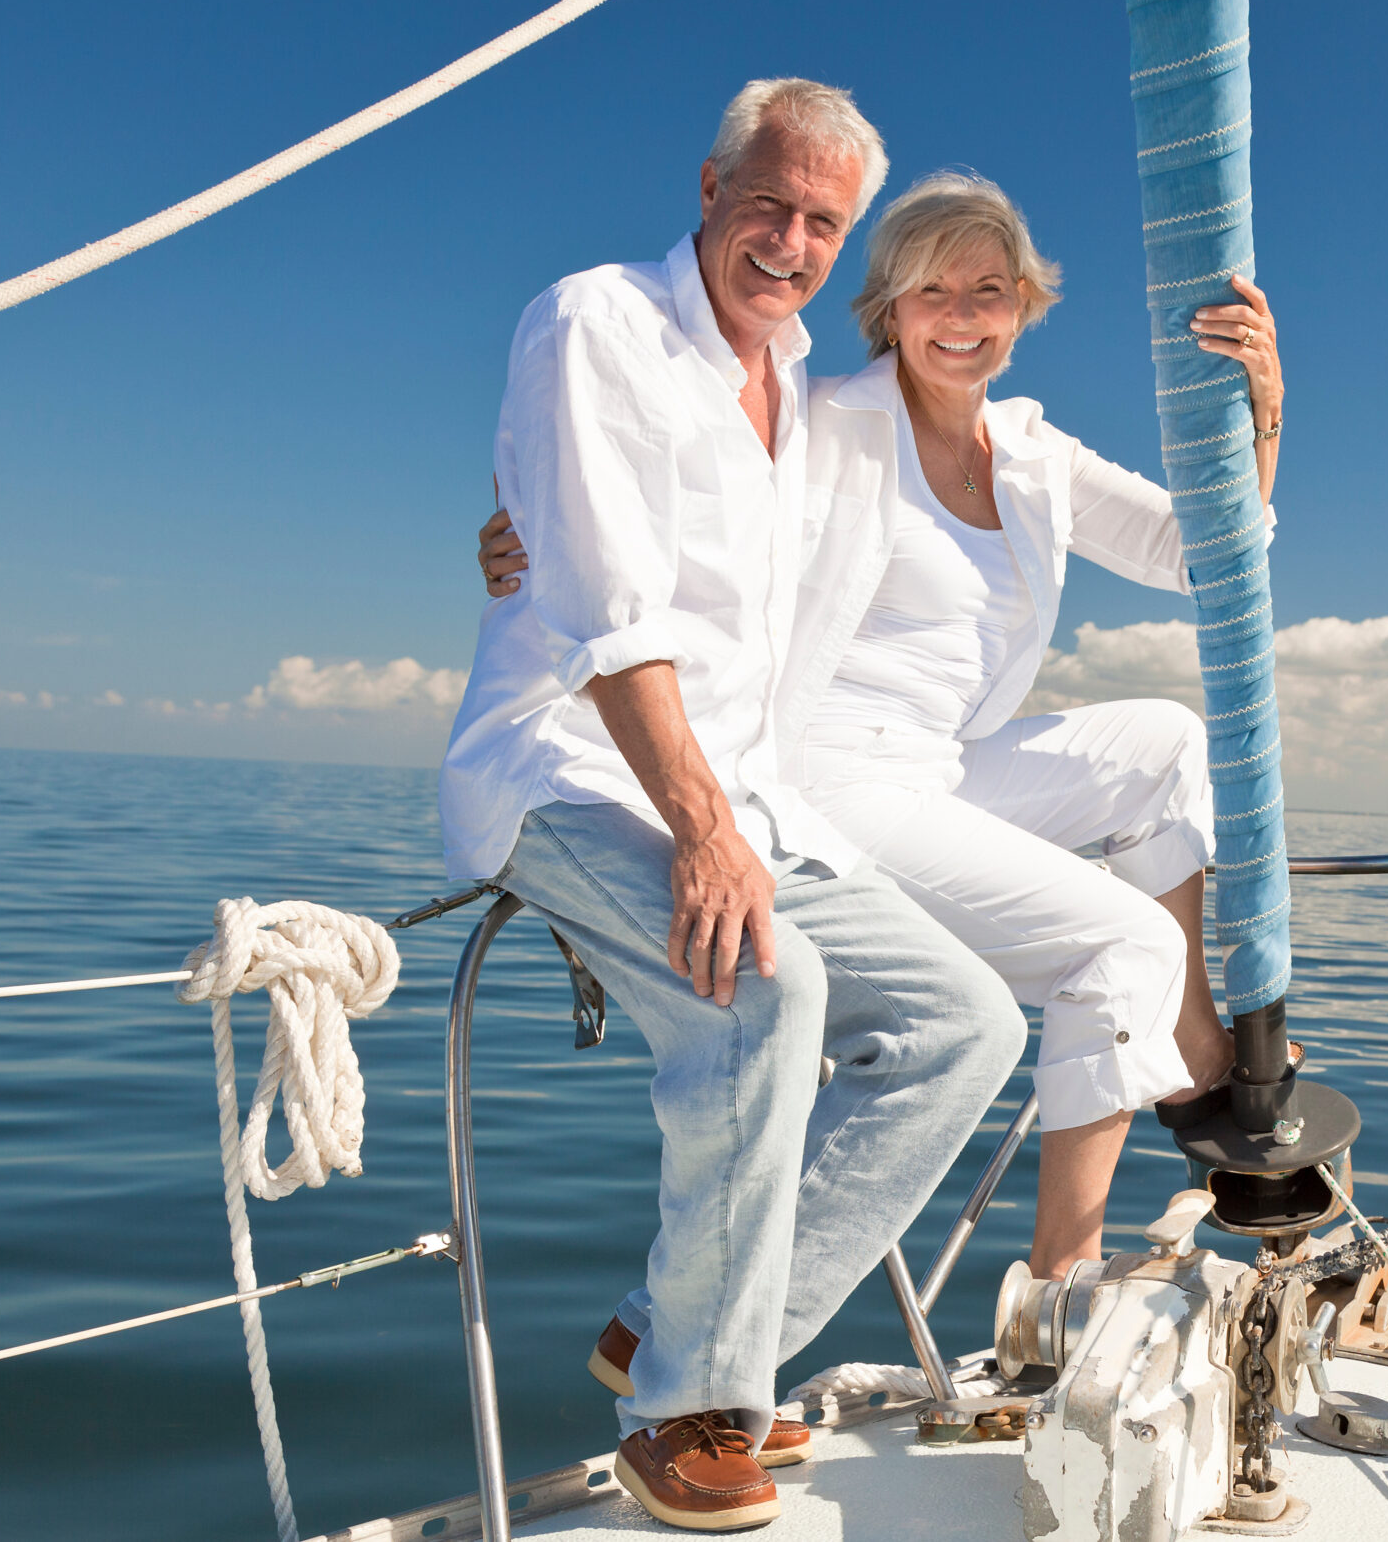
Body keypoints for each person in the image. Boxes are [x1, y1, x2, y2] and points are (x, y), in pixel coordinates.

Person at [479, 170, 1286, 1283]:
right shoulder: (826, 421)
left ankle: (1189, 1032)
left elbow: (1201, 555)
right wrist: (522, 527)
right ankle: (1060, 1284)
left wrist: (1264, 413)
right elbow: (645, 481)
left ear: (1024, 308)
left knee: (1164, 741)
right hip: (827, 779)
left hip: (936, 769)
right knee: (1122, 944)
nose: (961, 318)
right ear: (890, 310)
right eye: (932, 292)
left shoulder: (1034, 451)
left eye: (989, 292)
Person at [440, 80, 1025, 1533]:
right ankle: (684, 1411)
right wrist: (701, 827)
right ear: (708, 188)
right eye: (769, 201)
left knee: (972, 1024)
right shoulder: (598, 323)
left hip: (748, 797)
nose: (791, 238)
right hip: (565, 767)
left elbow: (967, 395)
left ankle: (673, 1320)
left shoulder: (816, 396)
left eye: (824, 220)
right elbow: (605, 605)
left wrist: (1253, 427)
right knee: (771, 990)